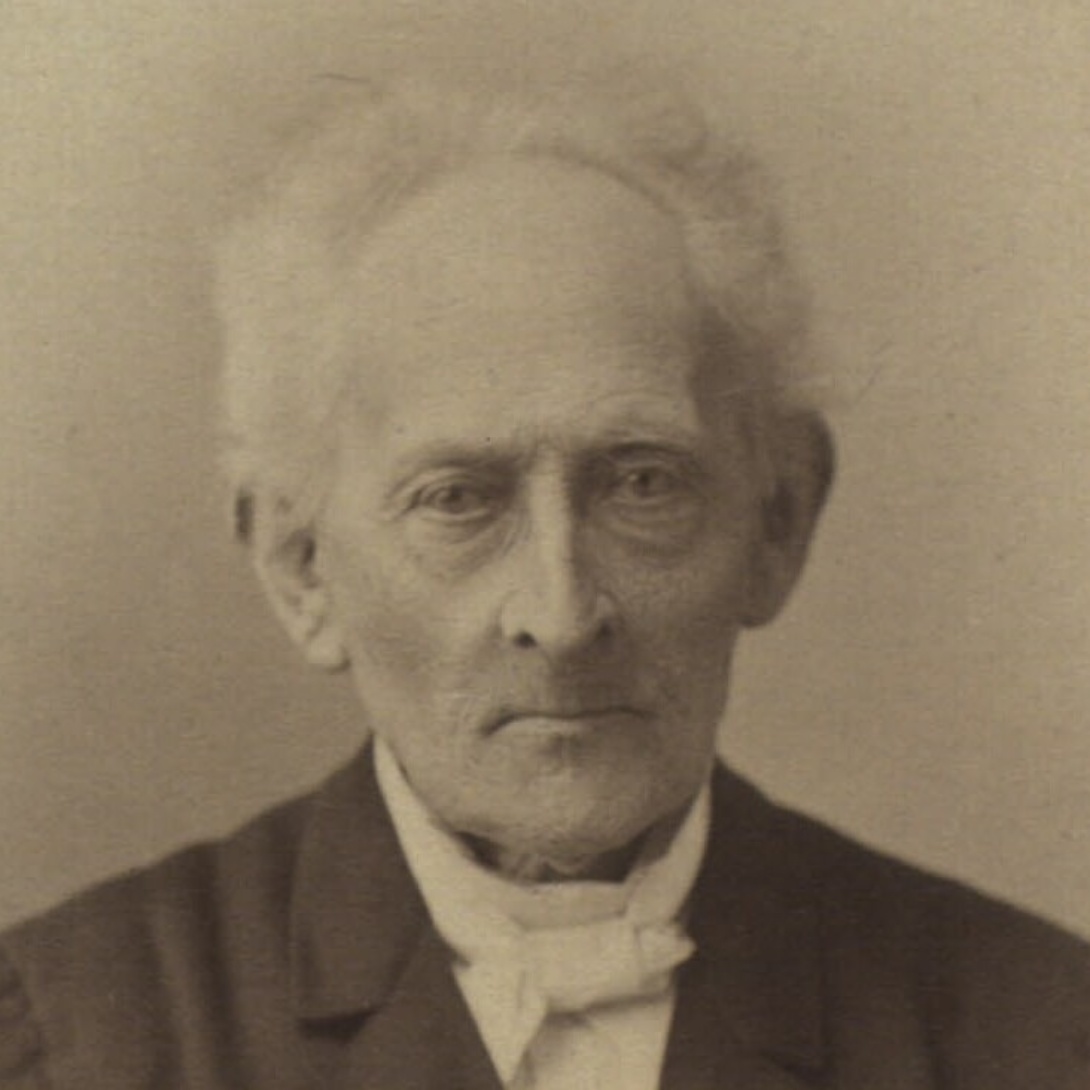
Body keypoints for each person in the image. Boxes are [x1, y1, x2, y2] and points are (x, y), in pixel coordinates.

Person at [1, 74, 1087, 1090]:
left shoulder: (1036, 1033)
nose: (561, 616)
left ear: (778, 519)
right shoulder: (73, 1038)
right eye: (457, 500)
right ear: (301, 567)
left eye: (643, 484)